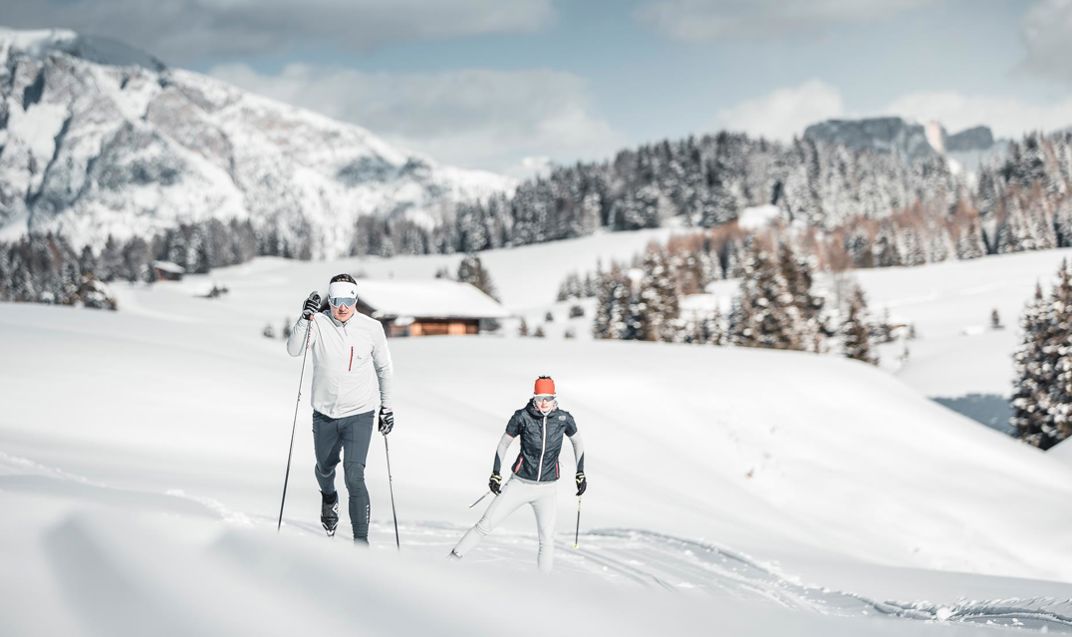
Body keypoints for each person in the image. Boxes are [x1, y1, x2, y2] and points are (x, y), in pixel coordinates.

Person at [287, 273, 395, 544]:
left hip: (360, 413)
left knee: (355, 475)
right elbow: (294, 350)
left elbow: (384, 368)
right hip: (324, 413)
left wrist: (387, 407)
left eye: (348, 299)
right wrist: (304, 318)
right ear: (330, 300)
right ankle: (329, 497)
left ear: (355, 299)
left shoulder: (371, 328)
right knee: (325, 468)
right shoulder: (318, 322)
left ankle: (361, 541)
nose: (342, 306)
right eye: (336, 300)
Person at [450, 376, 586, 572]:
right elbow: (504, 443)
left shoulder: (564, 419)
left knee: (547, 539)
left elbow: (578, 442)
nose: (544, 403)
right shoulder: (522, 417)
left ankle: (543, 585)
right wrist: (496, 473)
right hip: (520, 484)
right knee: (485, 524)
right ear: (534, 398)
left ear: (554, 398)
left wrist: (580, 473)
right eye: (540, 398)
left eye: (548, 397)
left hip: (547, 489)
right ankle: (451, 561)